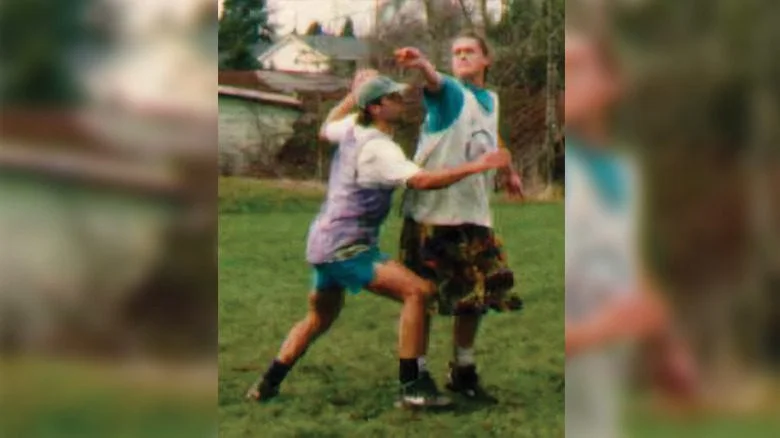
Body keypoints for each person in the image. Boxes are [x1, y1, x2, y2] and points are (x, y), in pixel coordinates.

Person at [245, 72, 512, 409]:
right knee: (419, 291)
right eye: (394, 98)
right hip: (346, 247)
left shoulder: (352, 129)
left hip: (324, 243)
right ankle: (412, 386)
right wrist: (479, 166)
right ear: (375, 108)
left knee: (319, 317)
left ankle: (267, 384)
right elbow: (423, 181)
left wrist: (351, 93)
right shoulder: (379, 149)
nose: (401, 101)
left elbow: (328, 123)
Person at [564, 30, 699, 437]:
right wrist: (604, 329)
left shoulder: (622, 171)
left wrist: (667, 348)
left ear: (611, 83)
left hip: (603, 384)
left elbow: (629, 264)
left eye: (575, 68)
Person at [394, 31, 524, 404]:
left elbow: (489, 135)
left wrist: (508, 169)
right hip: (433, 216)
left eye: (469, 51)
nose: (462, 56)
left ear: (487, 60)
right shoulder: (448, 91)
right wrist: (421, 65)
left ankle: (462, 371)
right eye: (456, 52)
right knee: (426, 298)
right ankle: (415, 376)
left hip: (474, 215)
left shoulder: (490, 99)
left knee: (478, 297)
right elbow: (434, 81)